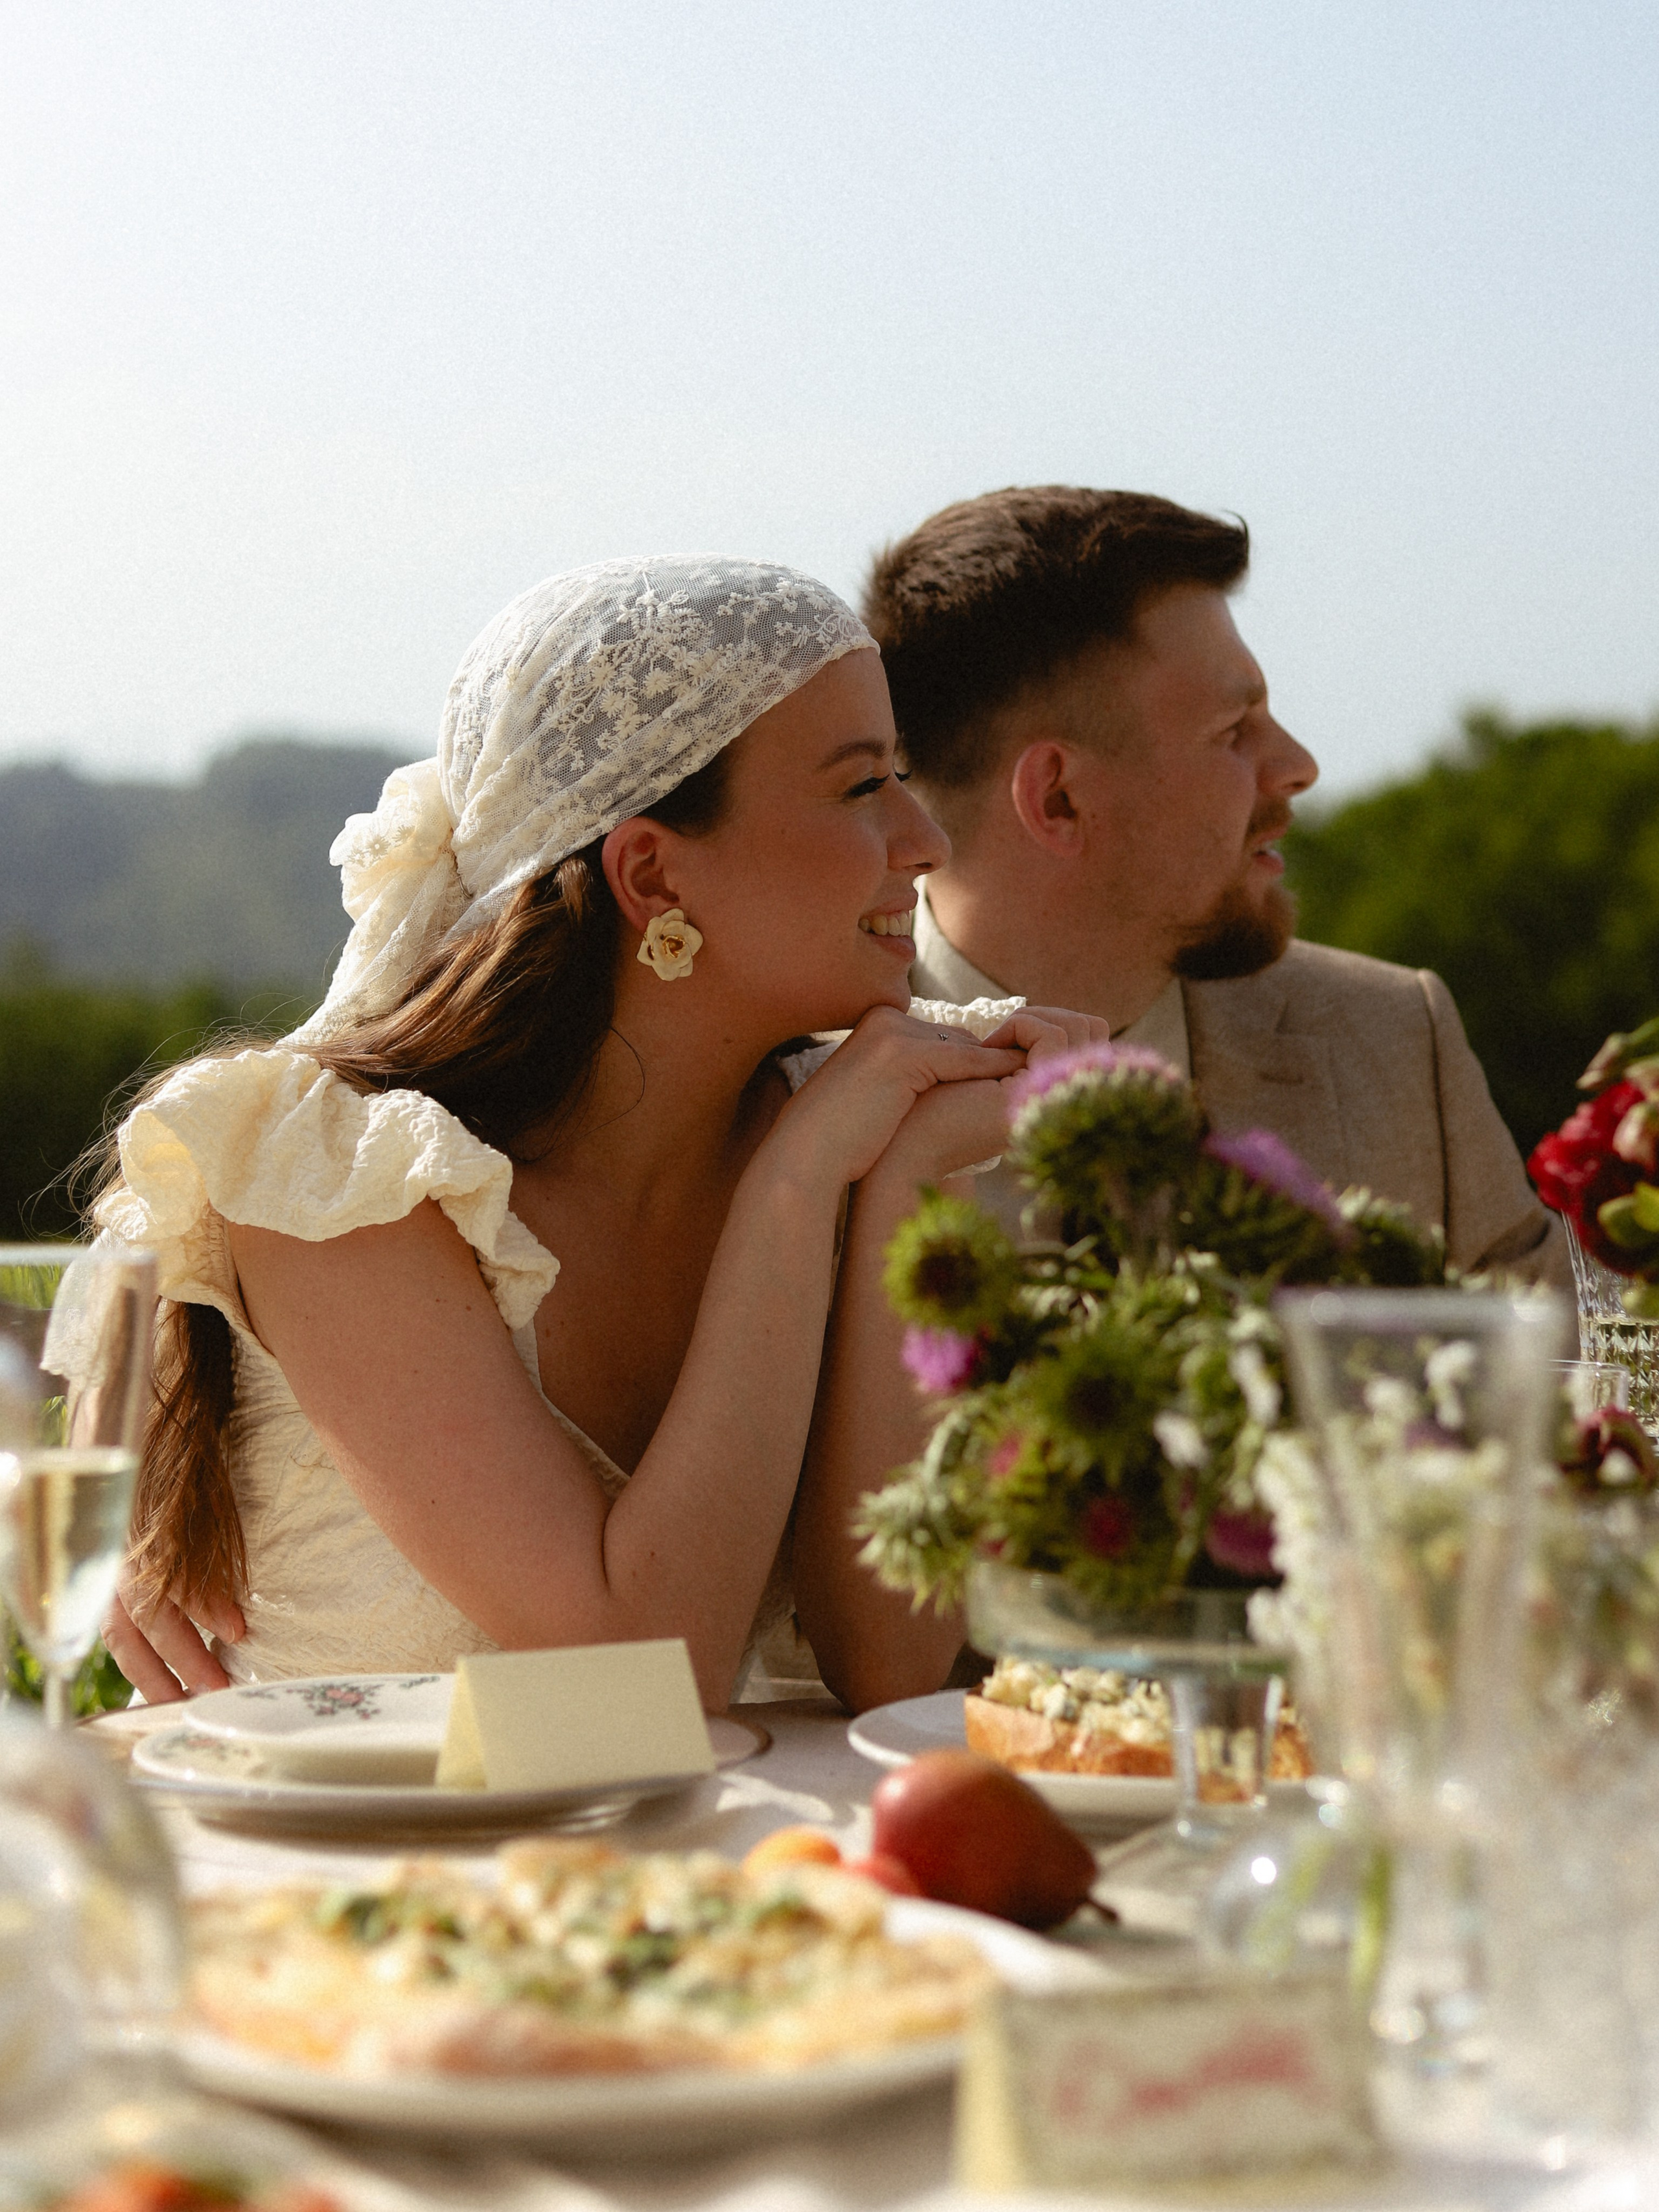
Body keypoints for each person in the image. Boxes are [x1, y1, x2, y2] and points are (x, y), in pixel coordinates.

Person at [95, 558, 1108, 1716]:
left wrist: (901, 1178)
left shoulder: (853, 1129)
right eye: (861, 785)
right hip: (330, 1876)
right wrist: (794, 1190)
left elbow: (885, 1664)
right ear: (651, 872)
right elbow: (642, 1674)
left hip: (689, 1879)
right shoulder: (345, 1179)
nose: (924, 839)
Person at [863, 485, 1569, 1286]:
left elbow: (1560, 1385)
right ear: (1058, 799)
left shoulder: (1395, 1040)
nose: (1298, 766)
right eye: (1235, 731)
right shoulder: (801, 1091)